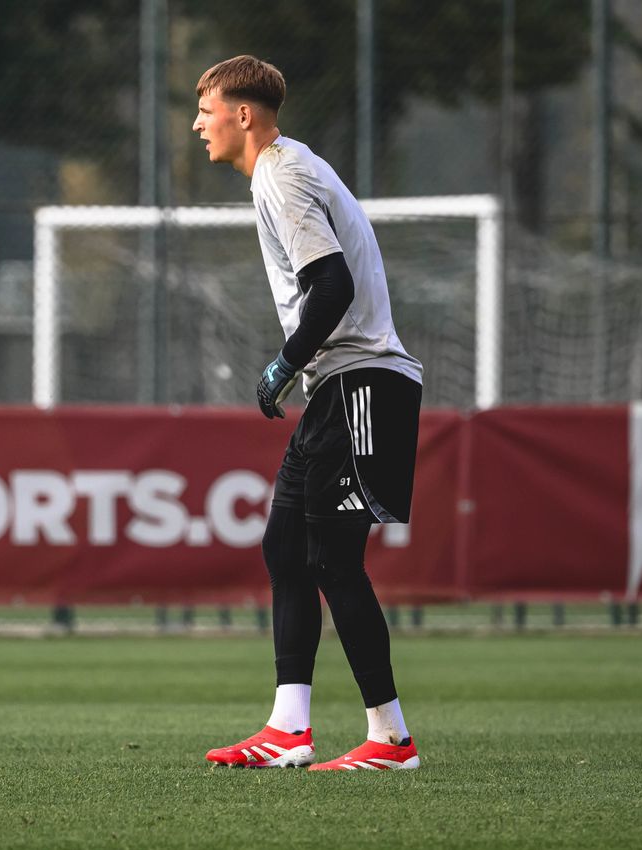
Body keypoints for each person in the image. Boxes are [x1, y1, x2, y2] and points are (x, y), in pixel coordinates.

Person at [192, 55, 424, 771]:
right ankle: (288, 728)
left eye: (206, 109)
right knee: (285, 550)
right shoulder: (287, 168)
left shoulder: (279, 173)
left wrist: (285, 362)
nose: (196, 124)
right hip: (339, 386)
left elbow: (331, 283)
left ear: (242, 115)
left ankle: (390, 738)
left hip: (359, 384)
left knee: (331, 559)